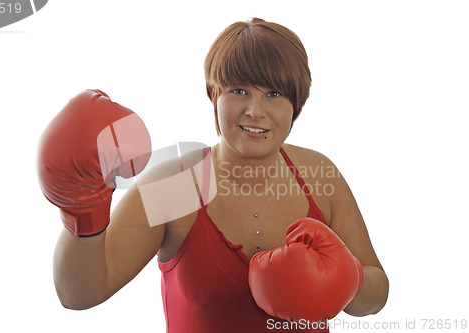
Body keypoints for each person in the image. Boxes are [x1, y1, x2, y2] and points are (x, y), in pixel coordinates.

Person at [38, 18, 388, 332]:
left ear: (296, 104)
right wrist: (80, 210)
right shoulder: (180, 187)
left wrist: (350, 280)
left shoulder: (316, 175)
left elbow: (377, 294)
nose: (255, 111)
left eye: (274, 94)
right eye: (239, 91)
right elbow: (78, 295)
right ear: (213, 94)